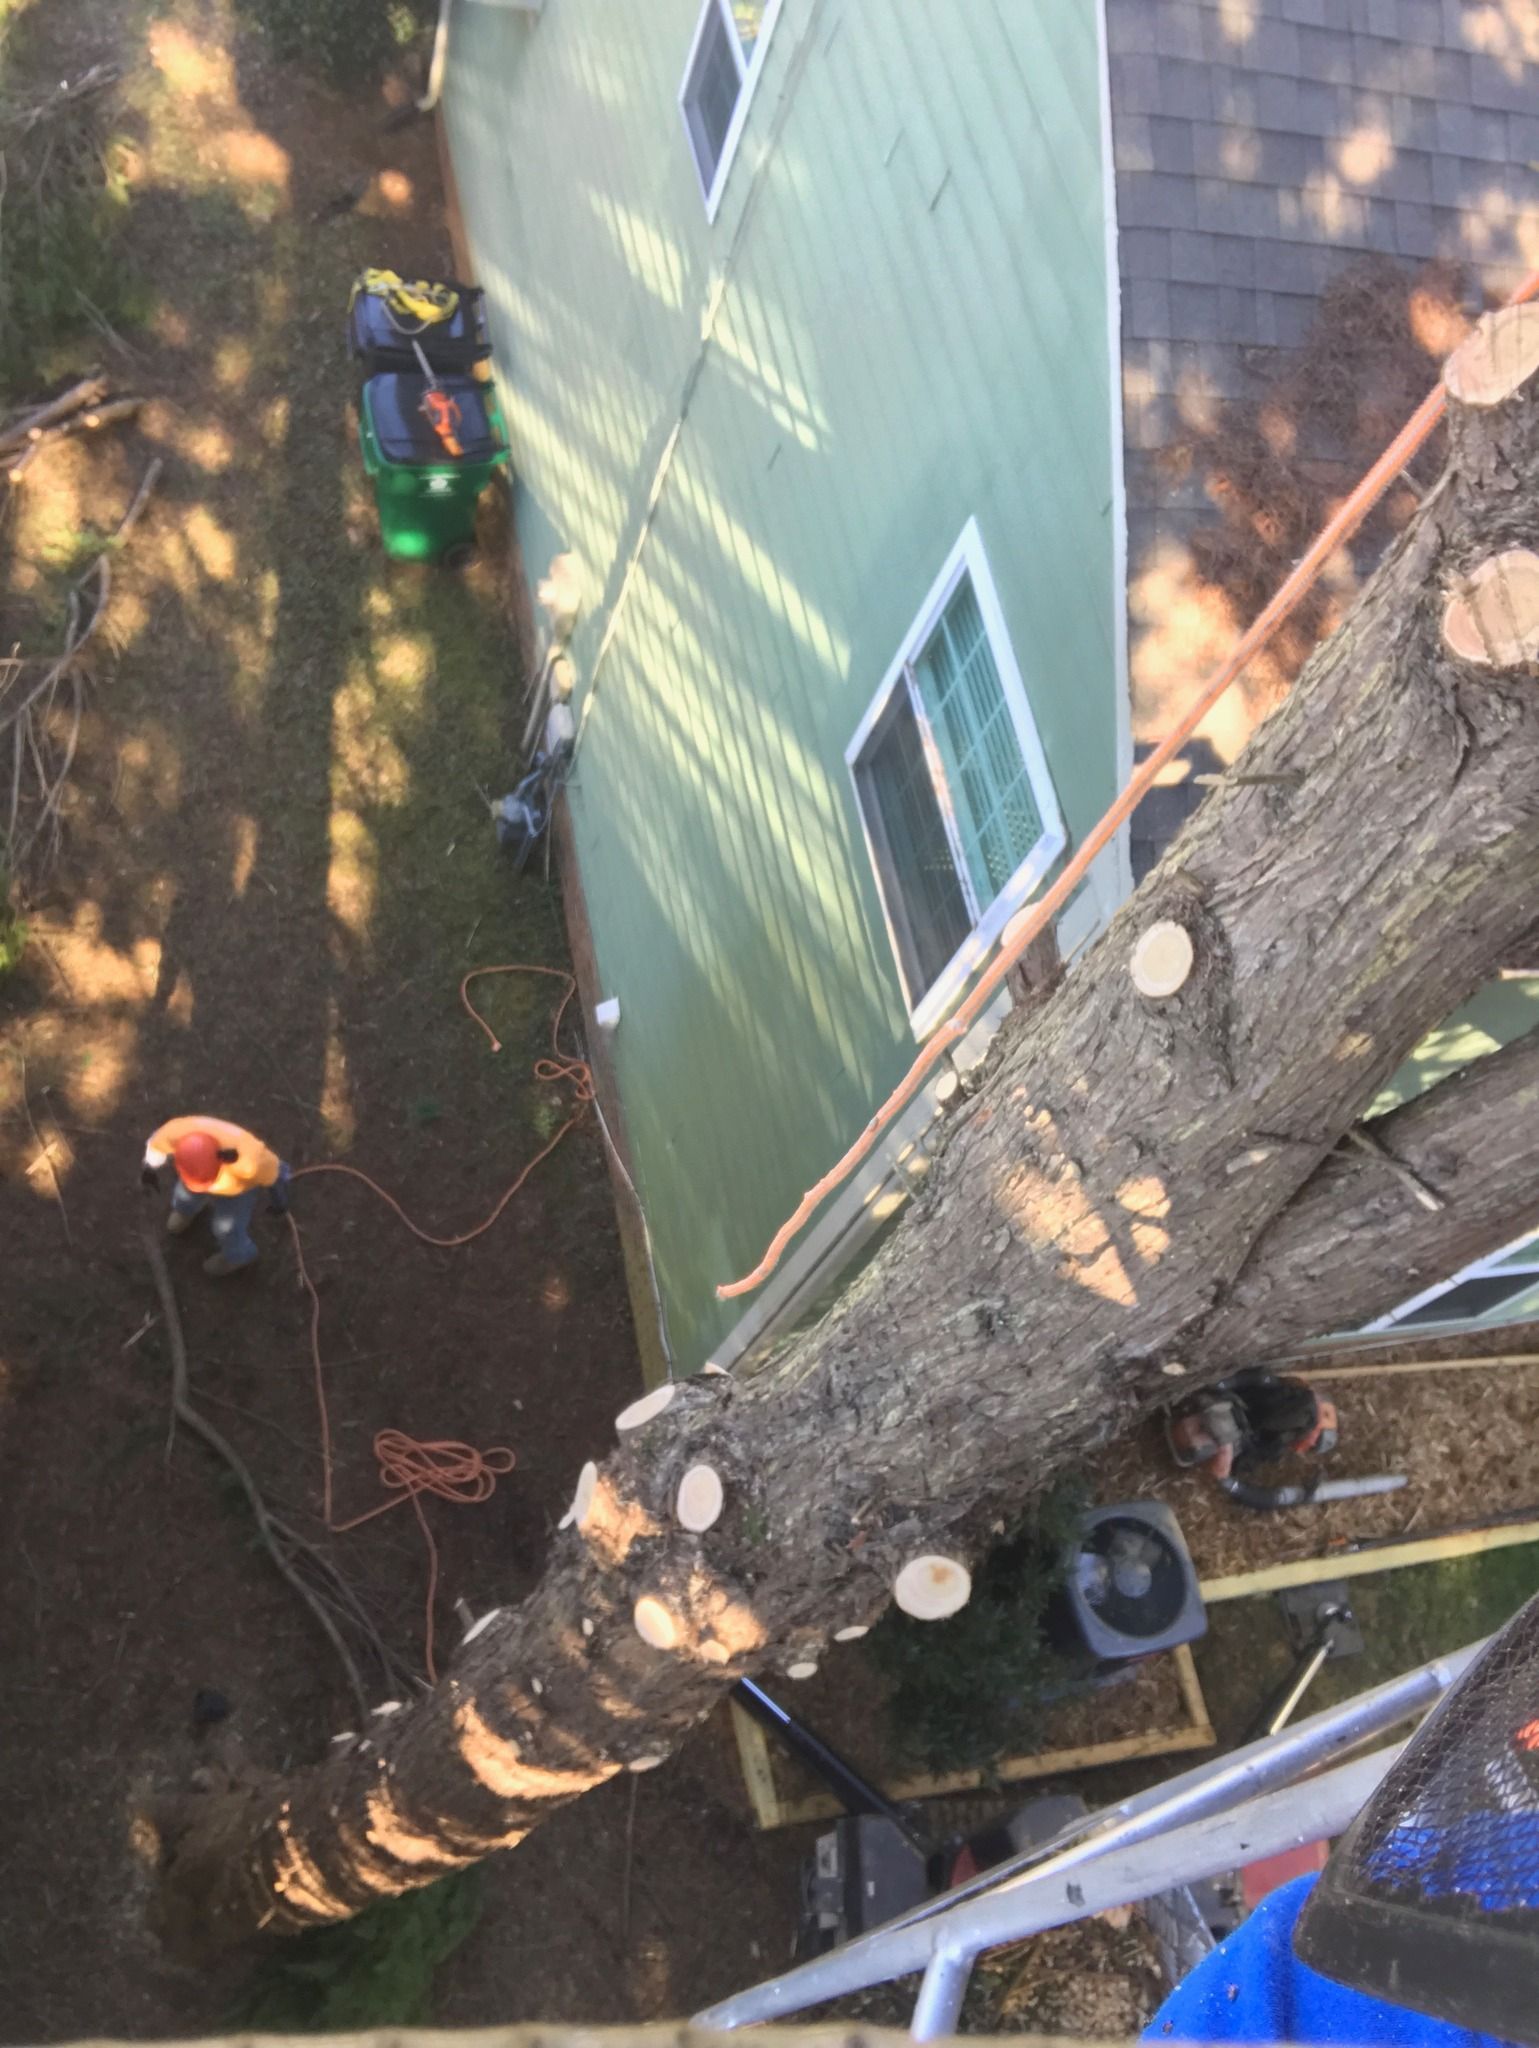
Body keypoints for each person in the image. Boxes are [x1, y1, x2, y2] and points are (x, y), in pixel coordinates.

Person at [141, 1115, 291, 1277]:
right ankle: (185, 1211)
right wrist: (149, 1168)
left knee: (227, 1229)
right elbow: (157, 1144)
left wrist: (280, 1202)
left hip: (238, 1190)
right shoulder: (177, 1133)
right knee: (184, 1194)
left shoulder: (251, 1163)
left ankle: (238, 1256)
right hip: (193, 1170)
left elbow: (278, 1174)